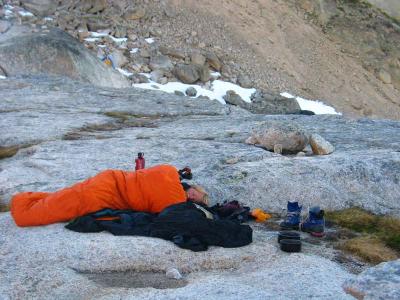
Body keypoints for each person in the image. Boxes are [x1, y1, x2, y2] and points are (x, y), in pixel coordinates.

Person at [11, 164, 209, 227]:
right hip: (104, 190)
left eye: (195, 198)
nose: (192, 196)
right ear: (192, 189)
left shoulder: (170, 173)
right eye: (196, 193)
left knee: (63, 198)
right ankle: (21, 203)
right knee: (26, 217)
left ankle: (28, 199)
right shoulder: (171, 184)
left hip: (106, 184)